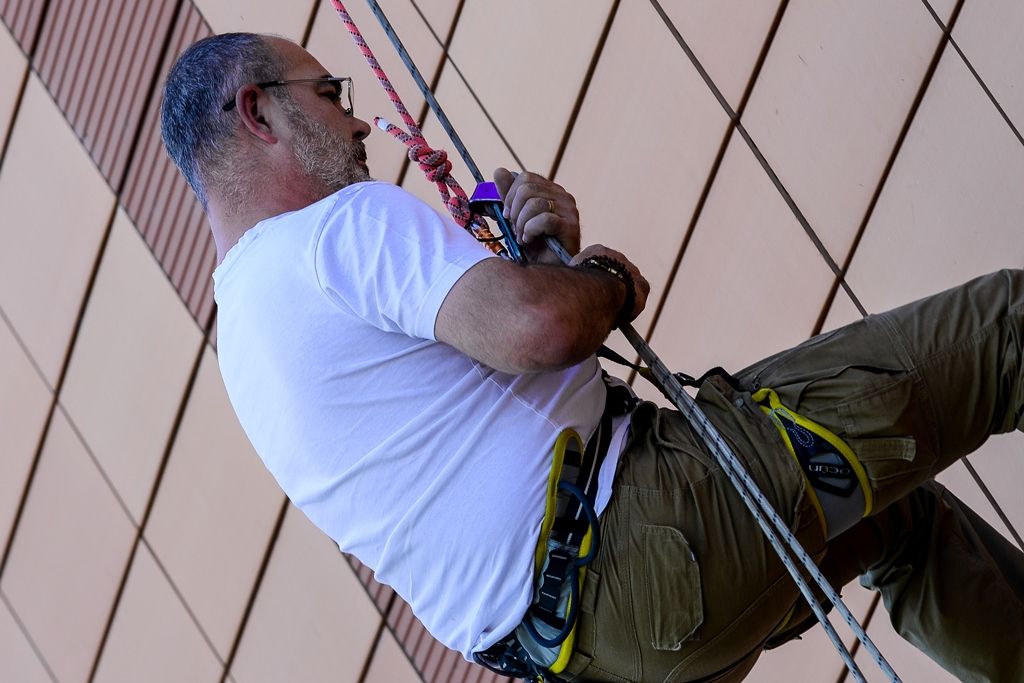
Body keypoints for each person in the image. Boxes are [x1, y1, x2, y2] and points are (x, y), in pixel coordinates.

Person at [160, 33, 1023, 682]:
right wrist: (602, 275)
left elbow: (492, 405)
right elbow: (539, 327)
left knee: (896, 514)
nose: (357, 122)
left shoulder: (246, 350)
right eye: (330, 93)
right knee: (1007, 329)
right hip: (649, 541)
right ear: (258, 111)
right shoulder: (332, 234)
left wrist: (544, 258)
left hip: (609, 645)